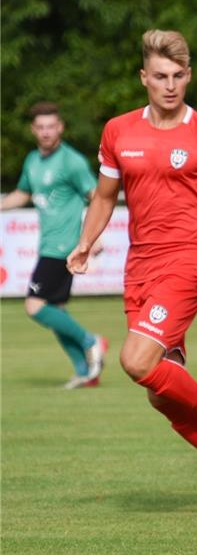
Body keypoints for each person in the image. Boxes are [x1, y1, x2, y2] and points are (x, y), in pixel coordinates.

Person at [66, 29, 197, 518]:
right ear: (144, 78)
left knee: (135, 360)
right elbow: (104, 197)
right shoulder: (118, 132)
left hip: (187, 262)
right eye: (160, 76)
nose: (170, 85)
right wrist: (86, 241)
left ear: (189, 76)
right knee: (163, 396)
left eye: (178, 76)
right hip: (139, 269)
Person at [1, 102, 108, 388]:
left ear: (60, 127)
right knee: (56, 310)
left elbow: (97, 196)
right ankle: (85, 371)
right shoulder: (32, 161)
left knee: (34, 306)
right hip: (47, 245)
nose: (47, 132)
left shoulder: (71, 161)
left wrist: (93, 237)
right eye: (41, 127)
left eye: (52, 126)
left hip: (64, 248)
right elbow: (22, 195)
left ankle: (91, 341)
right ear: (33, 130)